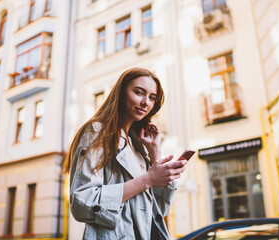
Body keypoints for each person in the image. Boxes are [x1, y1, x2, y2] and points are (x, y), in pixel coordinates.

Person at [63, 67, 187, 239]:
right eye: (139, 92)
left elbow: (158, 210)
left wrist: (154, 153)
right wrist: (148, 179)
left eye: (152, 97)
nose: (146, 102)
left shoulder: (138, 148)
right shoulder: (97, 132)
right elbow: (82, 203)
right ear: (120, 93)